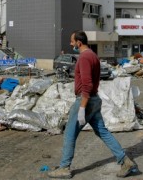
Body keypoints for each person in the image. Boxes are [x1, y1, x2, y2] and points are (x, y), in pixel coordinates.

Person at [48, 31, 137, 179]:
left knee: (70, 133)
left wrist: (82, 107)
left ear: (79, 42)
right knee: (102, 131)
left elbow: (87, 84)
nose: (70, 44)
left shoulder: (84, 57)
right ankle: (125, 161)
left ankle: (64, 167)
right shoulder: (93, 55)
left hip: (86, 100)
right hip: (94, 100)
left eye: (72, 41)